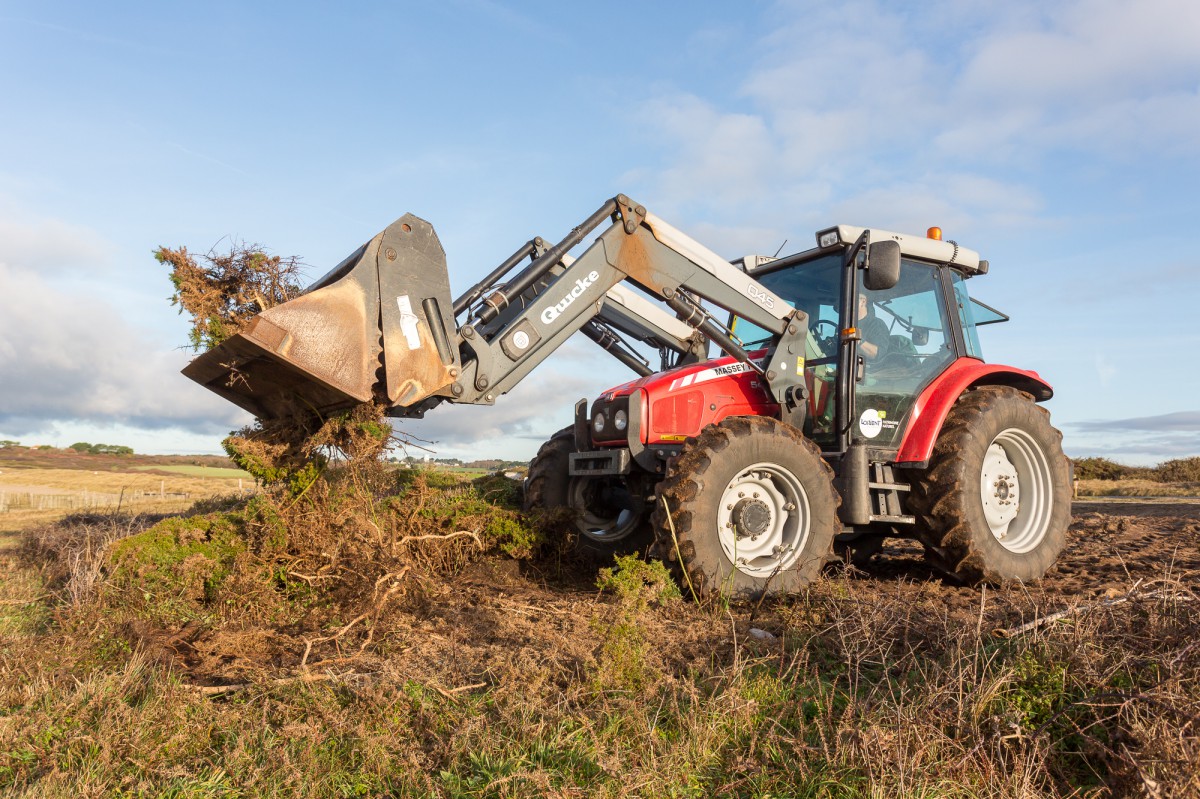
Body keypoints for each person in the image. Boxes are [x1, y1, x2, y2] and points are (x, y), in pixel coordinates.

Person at [856, 293, 891, 361]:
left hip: (870, 370)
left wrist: (857, 340)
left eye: (850, 299)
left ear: (862, 302)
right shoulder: (844, 325)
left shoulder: (876, 324)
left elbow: (878, 354)